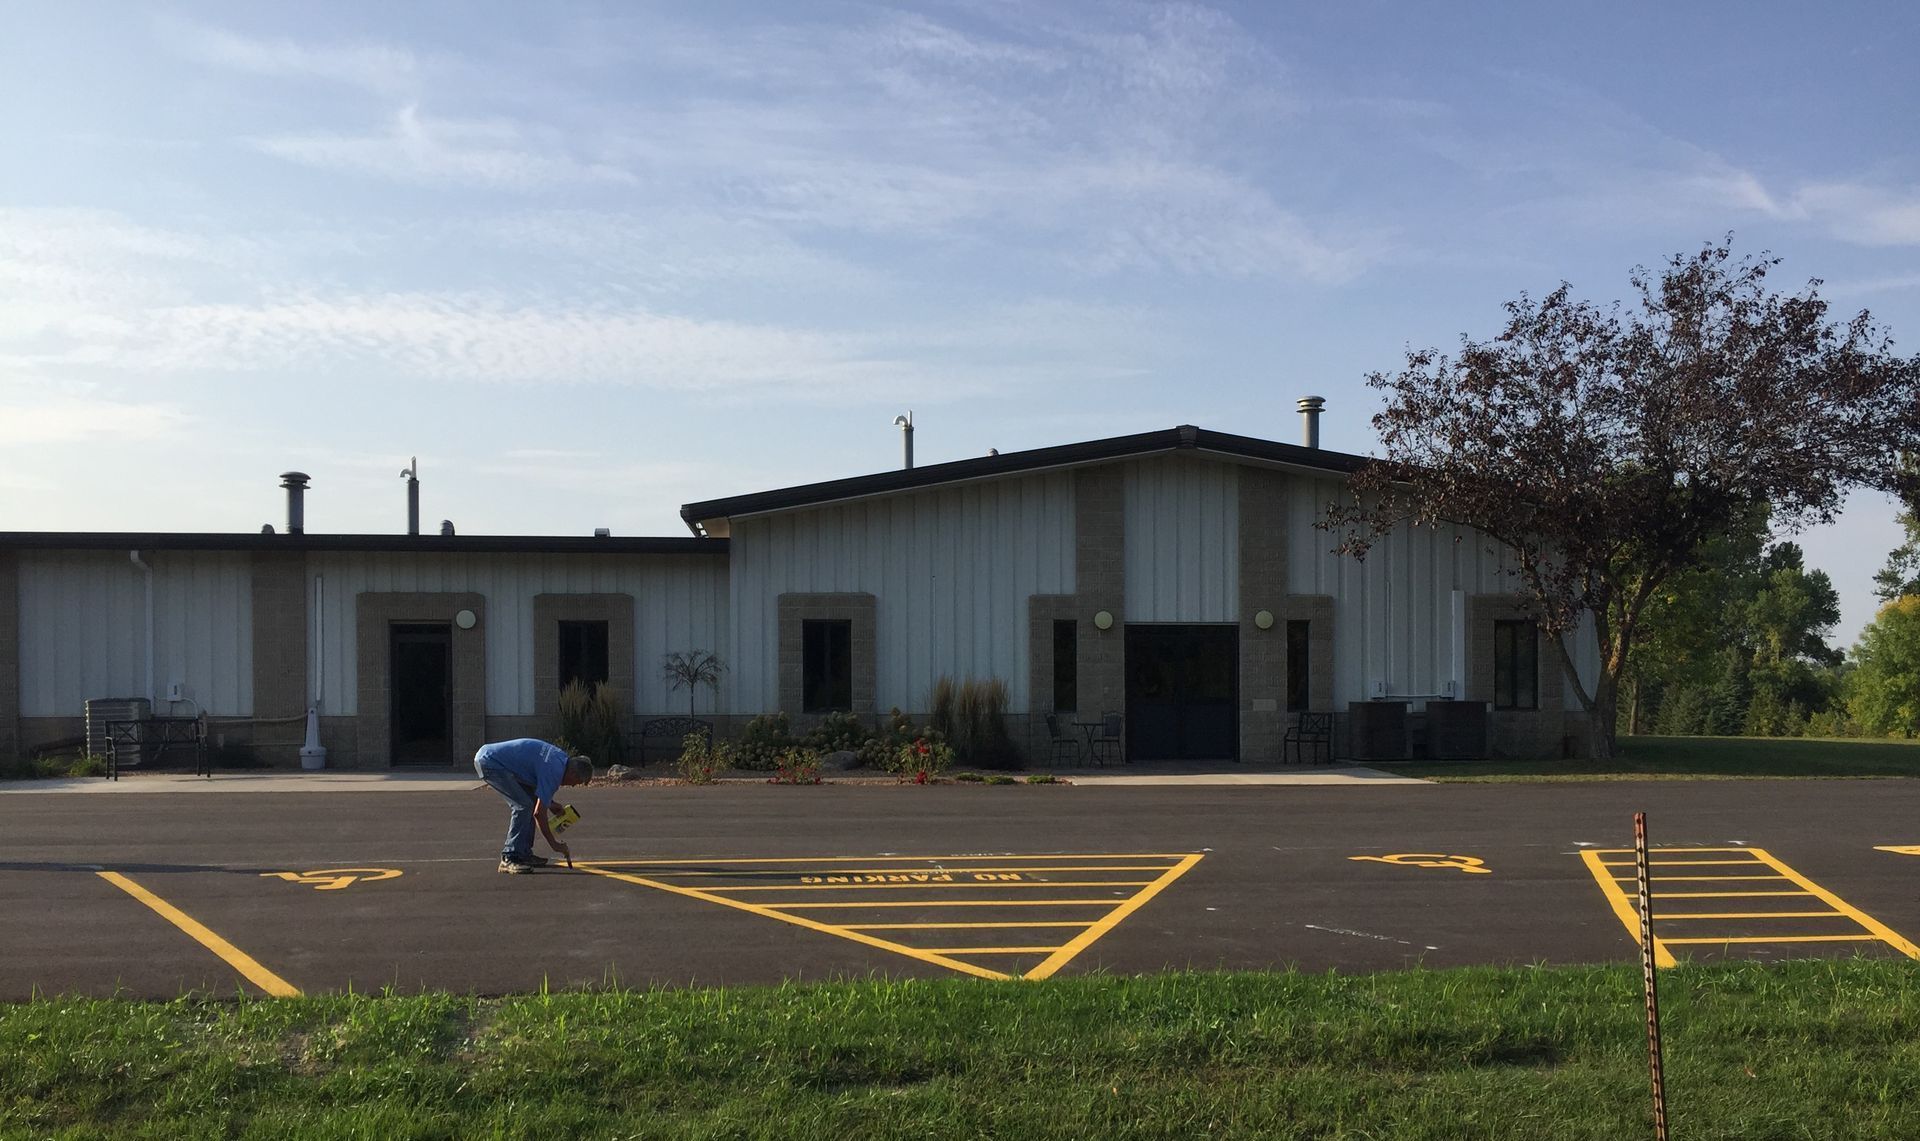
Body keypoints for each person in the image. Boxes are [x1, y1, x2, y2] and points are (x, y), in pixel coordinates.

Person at [473, 738, 593, 873]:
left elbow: (537, 783)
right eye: (577, 782)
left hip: (493, 757)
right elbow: (539, 813)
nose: (573, 785)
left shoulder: (561, 759)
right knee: (523, 806)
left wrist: (550, 804)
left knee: (529, 803)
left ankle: (523, 854)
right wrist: (554, 845)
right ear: (573, 774)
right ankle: (510, 856)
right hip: (491, 762)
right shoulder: (554, 773)